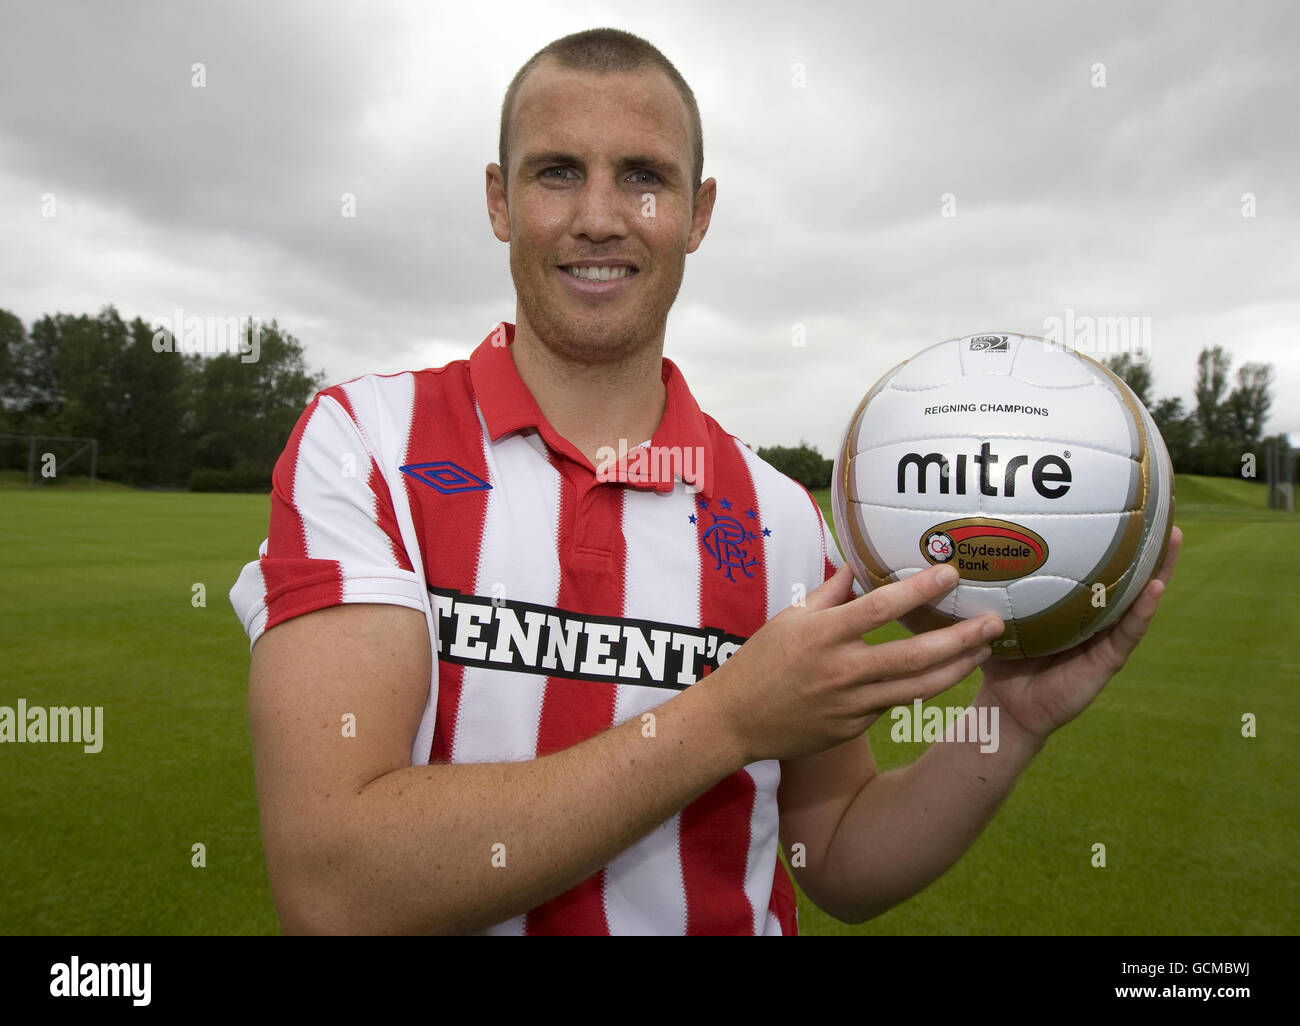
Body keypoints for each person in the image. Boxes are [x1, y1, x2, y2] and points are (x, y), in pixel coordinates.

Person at [230, 27, 1181, 936]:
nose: (599, 217)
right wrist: (725, 719)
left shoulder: (782, 519)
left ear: (698, 213)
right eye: (558, 171)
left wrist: (1007, 726)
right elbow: (335, 885)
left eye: (644, 178)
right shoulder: (364, 442)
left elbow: (838, 857)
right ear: (498, 200)